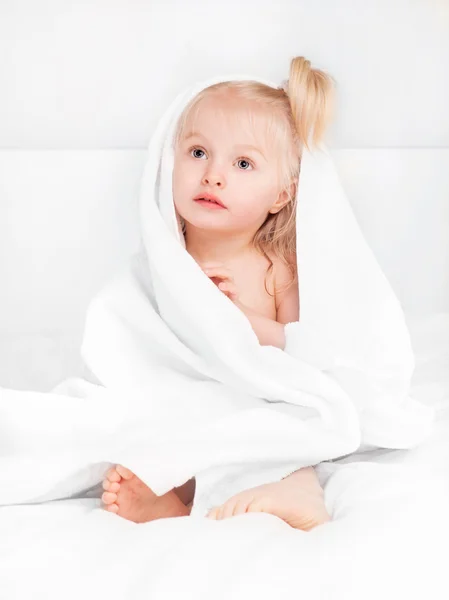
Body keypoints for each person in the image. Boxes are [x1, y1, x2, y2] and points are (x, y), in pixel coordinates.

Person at [101, 56, 335, 531]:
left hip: (259, 400)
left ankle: (294, 485)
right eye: (198, 153)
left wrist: (240, 318)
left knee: (287, 429)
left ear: (281, 196)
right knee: (159, 421)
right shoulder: (168, 261)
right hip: (190, 398)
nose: (213, 175)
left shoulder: (276, 267)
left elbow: (304, 347)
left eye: (243, 163)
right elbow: (136, 338)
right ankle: (176, 494)